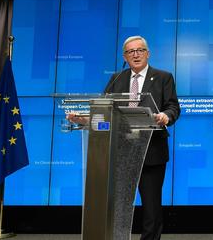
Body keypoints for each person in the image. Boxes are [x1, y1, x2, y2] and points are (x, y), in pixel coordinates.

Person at [69, 36, 180, 240]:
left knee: (151, 207)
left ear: (148, 53)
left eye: (140, 50)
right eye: (131, 52)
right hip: (120, 151)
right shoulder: (117, 79)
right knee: (118, 204)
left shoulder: (164, 77)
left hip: (151, 152)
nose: (136, 54)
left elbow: (173, 106)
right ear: (125, 56)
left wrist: (166, 116)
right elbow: (104, 110)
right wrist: (84, 119)